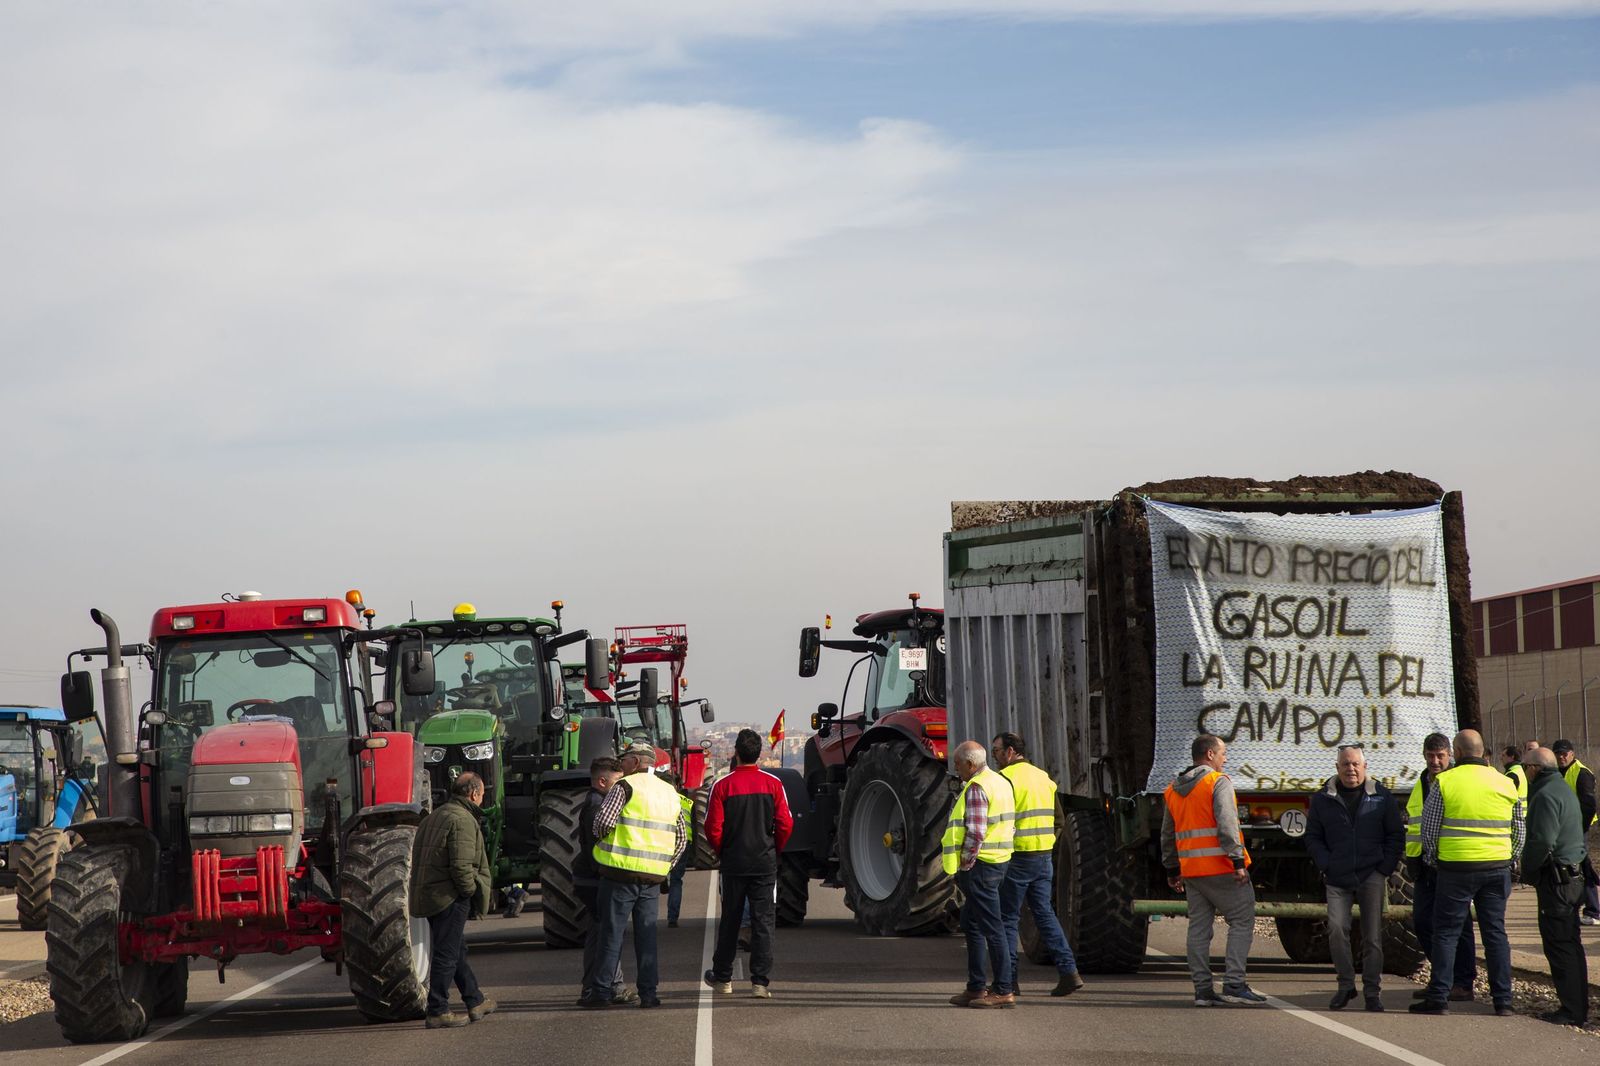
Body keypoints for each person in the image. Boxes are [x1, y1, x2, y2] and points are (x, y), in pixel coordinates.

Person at [1410, 729, 1524, 1016]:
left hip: (1455, 869)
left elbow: (1429, 830)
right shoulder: (1505, 782)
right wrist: (1509, 859)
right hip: (1496, 869)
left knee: (1446, 933)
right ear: (1482, 751)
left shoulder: (1445, 782)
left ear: (1457, 753)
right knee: (1495, 934)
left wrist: (1434, 860)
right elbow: (1519, 830)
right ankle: (1503, 1001)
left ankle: (1439, 998)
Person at [1161, 734, 1266, 1007]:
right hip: (1221, 868)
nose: (1225, 759)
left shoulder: (1173, 790)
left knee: (1198, 928)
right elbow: (1227, 824)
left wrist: (1172, 869)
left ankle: (1203, 991)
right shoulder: (1217, 782)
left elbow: (1167, 834)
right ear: (1209, 754)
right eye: (1223, 753)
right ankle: (1234, 984)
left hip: (1192, 872)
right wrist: (1238, 861)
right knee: (1242, 920)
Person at [1305, 743, 1404, 1012]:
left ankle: (1372, 992)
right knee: (1337, 930)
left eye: (1355, 764)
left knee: (1372, 937)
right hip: (1337, 876)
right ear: (1337, 767)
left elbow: (1395, 835)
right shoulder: (1322, 799)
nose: (1351, 769)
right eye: (1346, 764)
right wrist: (1326, 864)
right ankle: (1345, 985)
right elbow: (1313, 837)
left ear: (1365, 766)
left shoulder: (1381, 796)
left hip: (1371, 874)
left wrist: (1384, 868)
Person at [589, 741, 688, 1010]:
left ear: (634, 762)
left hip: (620, 874)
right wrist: (664, 866)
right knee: (647, 937)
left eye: (624, 760)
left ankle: (601, 992)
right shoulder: (670, 792)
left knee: (612, 935)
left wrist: (606, 844)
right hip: (652, 879)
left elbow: (602, 822)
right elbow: (681, 838)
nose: (620, 764)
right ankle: (649, 994)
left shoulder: (624, 786)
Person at [702, 728, 794, 999]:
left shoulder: (722, 785)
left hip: (734, 862)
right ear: (759, 754)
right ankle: (760, 982)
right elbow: (785, 823)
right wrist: (774, 849)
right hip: (764, 862)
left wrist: (723, 851)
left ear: (736, 753)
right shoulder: (773, 784)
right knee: (763, 921)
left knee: (730, 920)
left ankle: (723, 978)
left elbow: (712, 828)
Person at [991, 732, 1083, 997]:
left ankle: (1008, 982)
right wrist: (1047, 843)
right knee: (1044, 914)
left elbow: (995, 822)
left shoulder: (1004, 780)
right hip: (1042, 857)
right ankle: (1069, 973)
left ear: (1010, 752)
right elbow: (1059, 820)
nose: (994, 756)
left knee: (1008, 919)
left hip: (1016, 857)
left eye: (996, 751)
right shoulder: (1044, 778)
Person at [409, 771, 495, 1028]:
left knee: (456, 950)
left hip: (429, 894)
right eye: (482, 794)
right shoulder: (463, 820)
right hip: (448, 897)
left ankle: (475, 1000)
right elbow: (461, 866)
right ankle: (438, 1009)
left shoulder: (433, 816)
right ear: (474, 794)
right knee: (447, 954)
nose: (482, 798)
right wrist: (469, 892)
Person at [1519, 746, 1590, 1026]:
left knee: (1560, 945)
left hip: (1558, 881)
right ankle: (1576, 1005)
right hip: (1571, 878)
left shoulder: (1545, 795)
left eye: (1525, 767)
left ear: (1535, 769)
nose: (1524, 772)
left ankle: (1572, 1010)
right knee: (1570, 944)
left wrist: (1527, 870)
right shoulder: (1562, 789)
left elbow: (1542, 841)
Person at [944, 740, 1016, 1008]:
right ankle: (975, 987)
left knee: (992, 929)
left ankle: (1003, 990)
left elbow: (975, 832)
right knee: (972, 924)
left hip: (981, 866)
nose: (956, 769)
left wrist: (965, 863)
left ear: (970, 764)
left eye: (958, 764)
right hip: (998, 861)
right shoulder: (1001, 782)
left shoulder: (977, 787)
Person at [1405, 732, 1477, 1002]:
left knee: (1459, 925)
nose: (1435, 761)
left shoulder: (1456, 780)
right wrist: (1414, 859)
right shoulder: (1422, 782)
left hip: (1452, 864)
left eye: (1440, 756)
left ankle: (1463, 982)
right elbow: (1416, 826)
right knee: (1423, 920)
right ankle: (1443, 976)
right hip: (1426, 864)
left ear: (1450, 755)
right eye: (1430, 756)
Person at [576, 756, 635, 1007]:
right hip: (597, 879)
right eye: (617, 781)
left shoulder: (596, 802)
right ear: (602, 781)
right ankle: (610, 986)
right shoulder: (597, 807)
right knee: (608, 935)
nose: (620, 787)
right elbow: (599, 848)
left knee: (601, 934)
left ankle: (597, 986)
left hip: (590, 878)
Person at [1552, 740, 1600, 924]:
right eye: (1558, 754)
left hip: (1579, 830)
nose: (1561, 757)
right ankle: (1575, 908)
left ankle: (1593, 911)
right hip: (1563, 829)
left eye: (1564, 753)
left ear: (1572, 754)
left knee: (1583, 868)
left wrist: (1580, 829)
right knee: (1571, 868)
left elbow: (1589, 806)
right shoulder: (1556, 772)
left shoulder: (1582, 773)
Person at [660, 771, 692, 928]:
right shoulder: (687, 802)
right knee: (676, 880)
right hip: (684, 843)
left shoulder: (657, 799)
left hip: (661, 840)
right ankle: (672, 917)